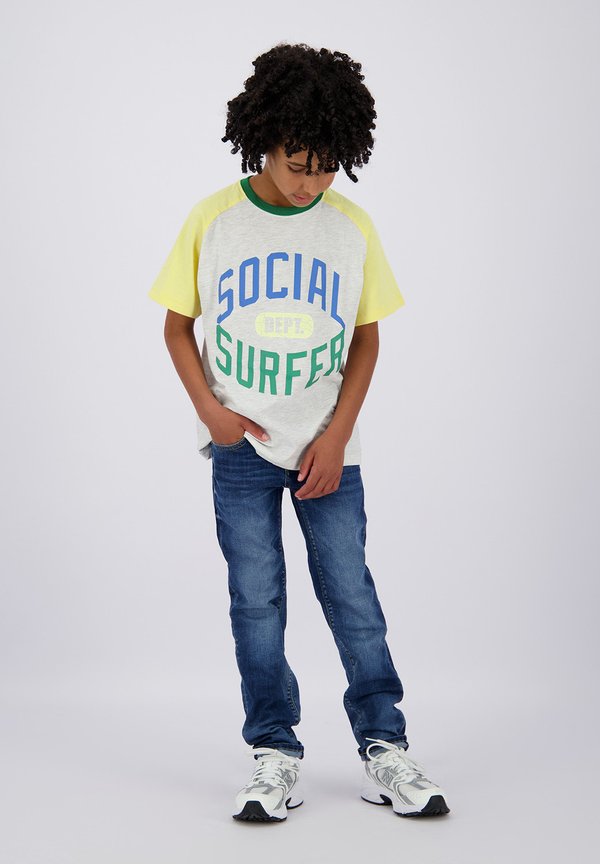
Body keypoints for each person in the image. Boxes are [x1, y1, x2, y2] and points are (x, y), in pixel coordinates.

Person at [148, 42, 450, 823]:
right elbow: (177, 326)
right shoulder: (213, 219)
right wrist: (211, 413)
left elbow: (368, 339)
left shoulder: (350, 227)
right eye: (296, 164)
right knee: (256, 601)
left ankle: (385, 746)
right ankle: (274, 752)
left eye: (325, 167)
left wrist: (338, 435)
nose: (309, 182)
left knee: (351, 594)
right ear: (264, 139)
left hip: (328, 451)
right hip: (241, 451)